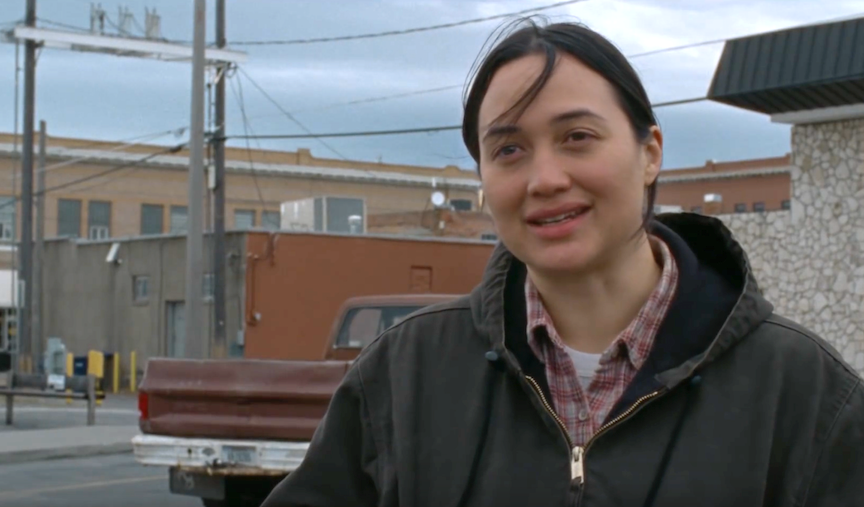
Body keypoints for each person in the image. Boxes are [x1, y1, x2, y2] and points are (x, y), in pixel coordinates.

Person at [263, 19, 863, 507]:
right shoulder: (402, 375)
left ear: (649, 152)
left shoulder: (803, 391)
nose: (545, 179)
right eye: (509, 150)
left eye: (577, 136)